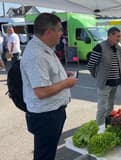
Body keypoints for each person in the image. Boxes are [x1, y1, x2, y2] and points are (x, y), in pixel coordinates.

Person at [20, 13, 78, 160]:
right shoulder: (37, 54)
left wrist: (62, 75)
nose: (61, 33)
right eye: (59, 30)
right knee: (44, 155)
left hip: (51, 113)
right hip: (46, 116)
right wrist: (67, 83)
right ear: (49, 32)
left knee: (47, 152)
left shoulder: (44, 48)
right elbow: (41, 91)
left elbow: (45, 77)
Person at [87, 27, 121, 125]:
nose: (119, 38)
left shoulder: (118, 47)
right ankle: (100, 128)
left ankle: (107, 125)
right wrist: (97, 76)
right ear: (110, 35)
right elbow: (90, 65)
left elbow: (119, 62)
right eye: (117, 36)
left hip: (116, 82)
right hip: (105, 84)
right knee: (102, 108)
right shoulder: (99, 47)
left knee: (110, 107)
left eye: (120, 36)